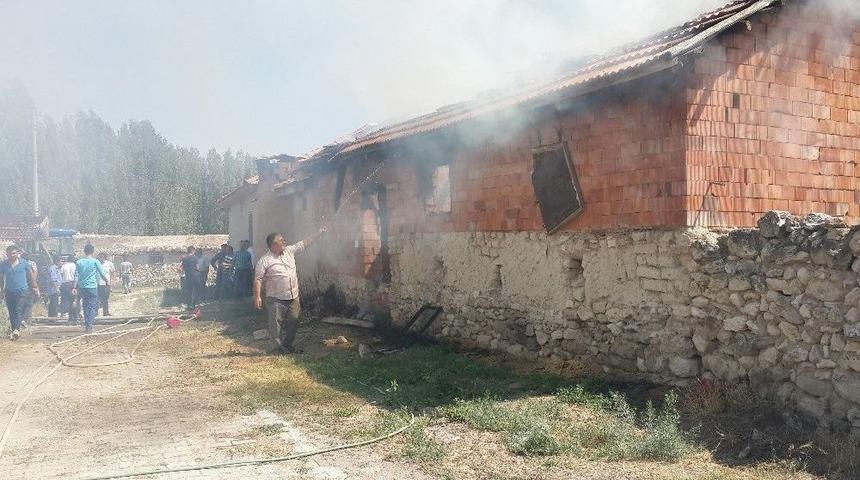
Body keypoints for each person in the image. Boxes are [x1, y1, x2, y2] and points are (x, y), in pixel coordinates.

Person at [254, 228, 325, 353]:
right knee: (275, 326)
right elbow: (258, 279)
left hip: (293, 297)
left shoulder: (289, 251)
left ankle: (287, 345)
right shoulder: (265, 260)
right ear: (273, 245)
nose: (284, 242)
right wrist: (257, 297)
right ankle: (278, 349)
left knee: (294, 321)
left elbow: (304, 243)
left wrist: (318, 234)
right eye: (281, 241)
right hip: (276, 299)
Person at [0, 245, 39, 340]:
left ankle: (16, 329)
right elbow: (1, 278)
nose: (12, 255)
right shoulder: (3, 265)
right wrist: (2, 290)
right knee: (12, 311)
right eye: (9, 254)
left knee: (18, 308)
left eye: (14, 253)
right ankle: (14, 330)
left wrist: (34, 286)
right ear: (7, 254)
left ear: (18, 253)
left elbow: (31, 275)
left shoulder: (24, 263)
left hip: (23, 290)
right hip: (9, 291)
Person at [72, 244, 108, 333]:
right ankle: (89, 326)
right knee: (91, 306)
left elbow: (76, 275)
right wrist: (107, 281)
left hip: (82, 287)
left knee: (85, 306)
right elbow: (102, 273)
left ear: (84, 251)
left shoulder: (79, 262)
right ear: (93, 252)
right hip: (92, 287)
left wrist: (74, 287)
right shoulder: (96, 262)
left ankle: (87, 324)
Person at [60, 255, 78, 321]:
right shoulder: (75, 266)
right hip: (73, 284)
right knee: (73, 300)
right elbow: (76, 276)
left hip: (65, 284)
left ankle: (65, 314)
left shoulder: (64, 266)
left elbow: (61, 275)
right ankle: (74, 316)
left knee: (65, 300)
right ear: (73, 260)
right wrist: (75, 287)